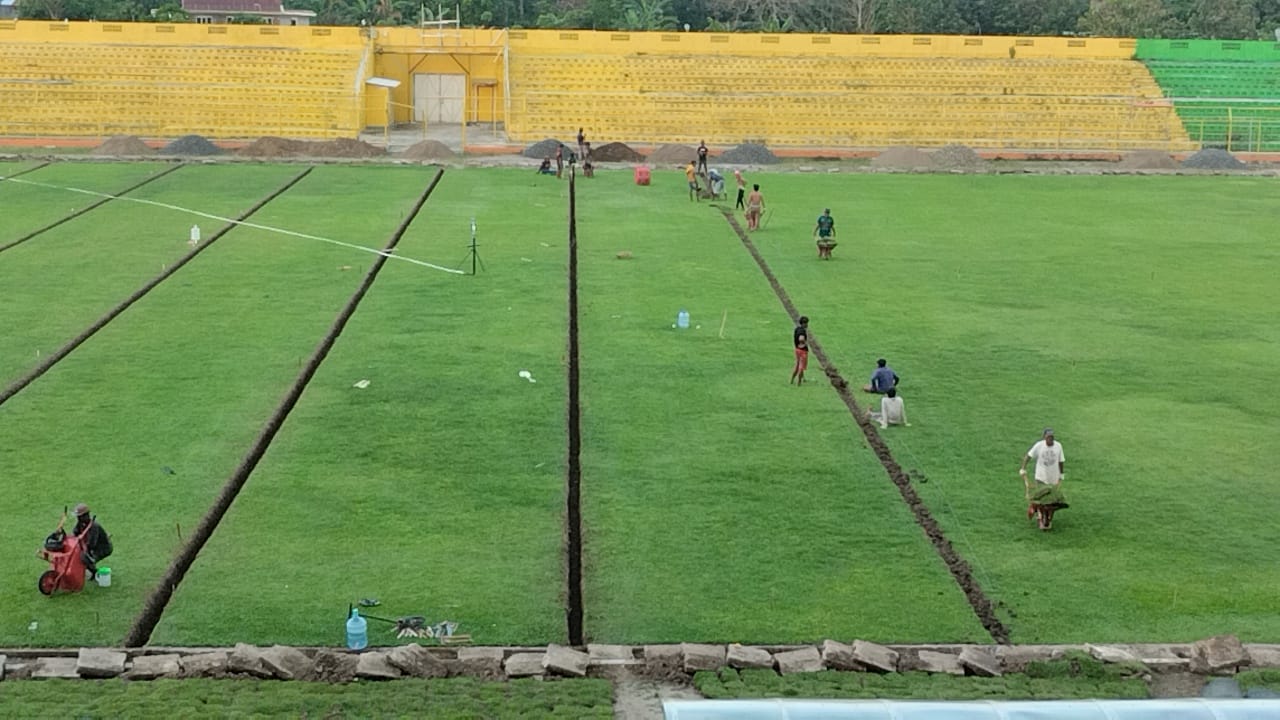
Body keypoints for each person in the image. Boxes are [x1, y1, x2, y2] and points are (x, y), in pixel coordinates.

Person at [1019, 428, 1069, 531]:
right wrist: (1023, 468)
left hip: (1053, 478)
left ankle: (1049, 518)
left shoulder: (1058, 446)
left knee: (1052, 501)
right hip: (1041, 477)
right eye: (1048, 437)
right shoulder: (1039, 446)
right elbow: (1028, 456)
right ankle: (1040, 517)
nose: (1050, 439)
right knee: (1041, 500)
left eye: (1052, 437)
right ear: (1044, 437)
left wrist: (1061, 474)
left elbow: (1061, 461)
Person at [72, 503, 112, 575]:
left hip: (103, 548)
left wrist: (84, 550)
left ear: (86, 516)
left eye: (80, 517)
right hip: (93, 547)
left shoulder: (94, 526)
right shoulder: (81, 523)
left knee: (85, 558)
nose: (78, 519)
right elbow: (75, 532)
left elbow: (92, 544)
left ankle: (95, 573)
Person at [791, 316, 809, 385]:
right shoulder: (802, 331)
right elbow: (801, 339)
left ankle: (792, 380)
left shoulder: (797, 329)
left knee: (797, 365)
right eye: (806, 323)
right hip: (803, 351)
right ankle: (799, 382)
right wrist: (805, 343)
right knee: (801, 367)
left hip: (797, 350)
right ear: (804, 323)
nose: (807, 325)